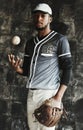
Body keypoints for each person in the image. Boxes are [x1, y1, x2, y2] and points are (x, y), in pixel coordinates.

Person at [8, 3, 72, 130]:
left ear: (50, 19)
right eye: (36, 16)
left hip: (48, 95)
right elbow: (26, 71)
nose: (39, 19)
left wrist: (58, 98)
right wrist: (17, 69)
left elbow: (68, 68)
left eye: (43, 16)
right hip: (32, 94)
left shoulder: (60, 40)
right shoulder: (30, 43)